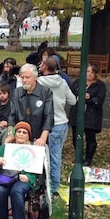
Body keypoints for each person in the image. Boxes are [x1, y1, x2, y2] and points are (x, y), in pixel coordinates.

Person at [36, 57, 76, 192]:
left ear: (45, 68)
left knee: (40, 154)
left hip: (45, 124)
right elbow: (72, 101)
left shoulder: (39, 83)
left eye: (42, 64)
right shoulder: (62, 82)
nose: (40, 65)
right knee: (56, 155)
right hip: (61, 122)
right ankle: (54, 186)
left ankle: (44, 184)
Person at [69, 63, 107, 167]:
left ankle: (88, 159)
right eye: (87, 71)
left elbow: (99, 99)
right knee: (76, 137)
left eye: (91, 72)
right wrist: (78, 97)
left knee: (90, 138)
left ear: (95, 73)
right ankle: (79, 157)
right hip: (77, 114)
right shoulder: (78, 83)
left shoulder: (100, 85)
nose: (89, 74)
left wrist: (89, 98)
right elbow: (71, 94)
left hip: (91, 115)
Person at [8, 64, 54, 146]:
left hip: (38, 136)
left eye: (27, 77)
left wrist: (43, 137)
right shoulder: (17, 92)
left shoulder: (46, 92)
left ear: (35, 77)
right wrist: (11, 134)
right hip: (19, 137)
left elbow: (49, 116)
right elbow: (11, 115)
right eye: (22, 77)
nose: (24, 80)